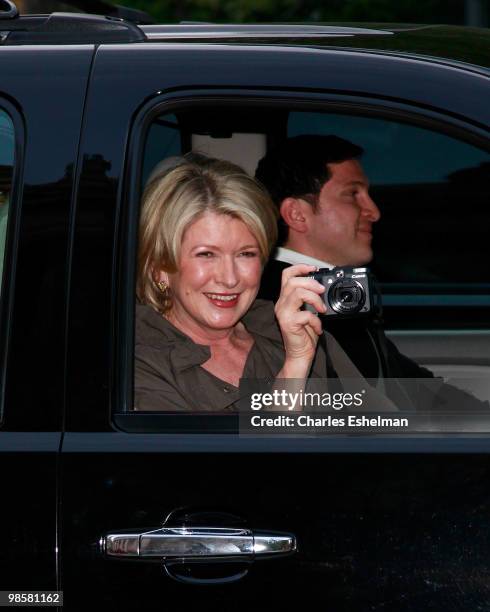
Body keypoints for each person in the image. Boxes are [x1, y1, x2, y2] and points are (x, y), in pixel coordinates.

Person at [255, 135, 488, 411]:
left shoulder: (337, 290)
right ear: (297, 214)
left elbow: (406, 381)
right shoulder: (271, 305)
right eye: (352, 194)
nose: (374, 211)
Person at [134, 153, 334, 412]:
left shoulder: (285, 331)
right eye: (206, 254)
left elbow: (374, 430)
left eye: (246, 254)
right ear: (160, 268)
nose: (229, 278)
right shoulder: (134, 359)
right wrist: (293, 370)